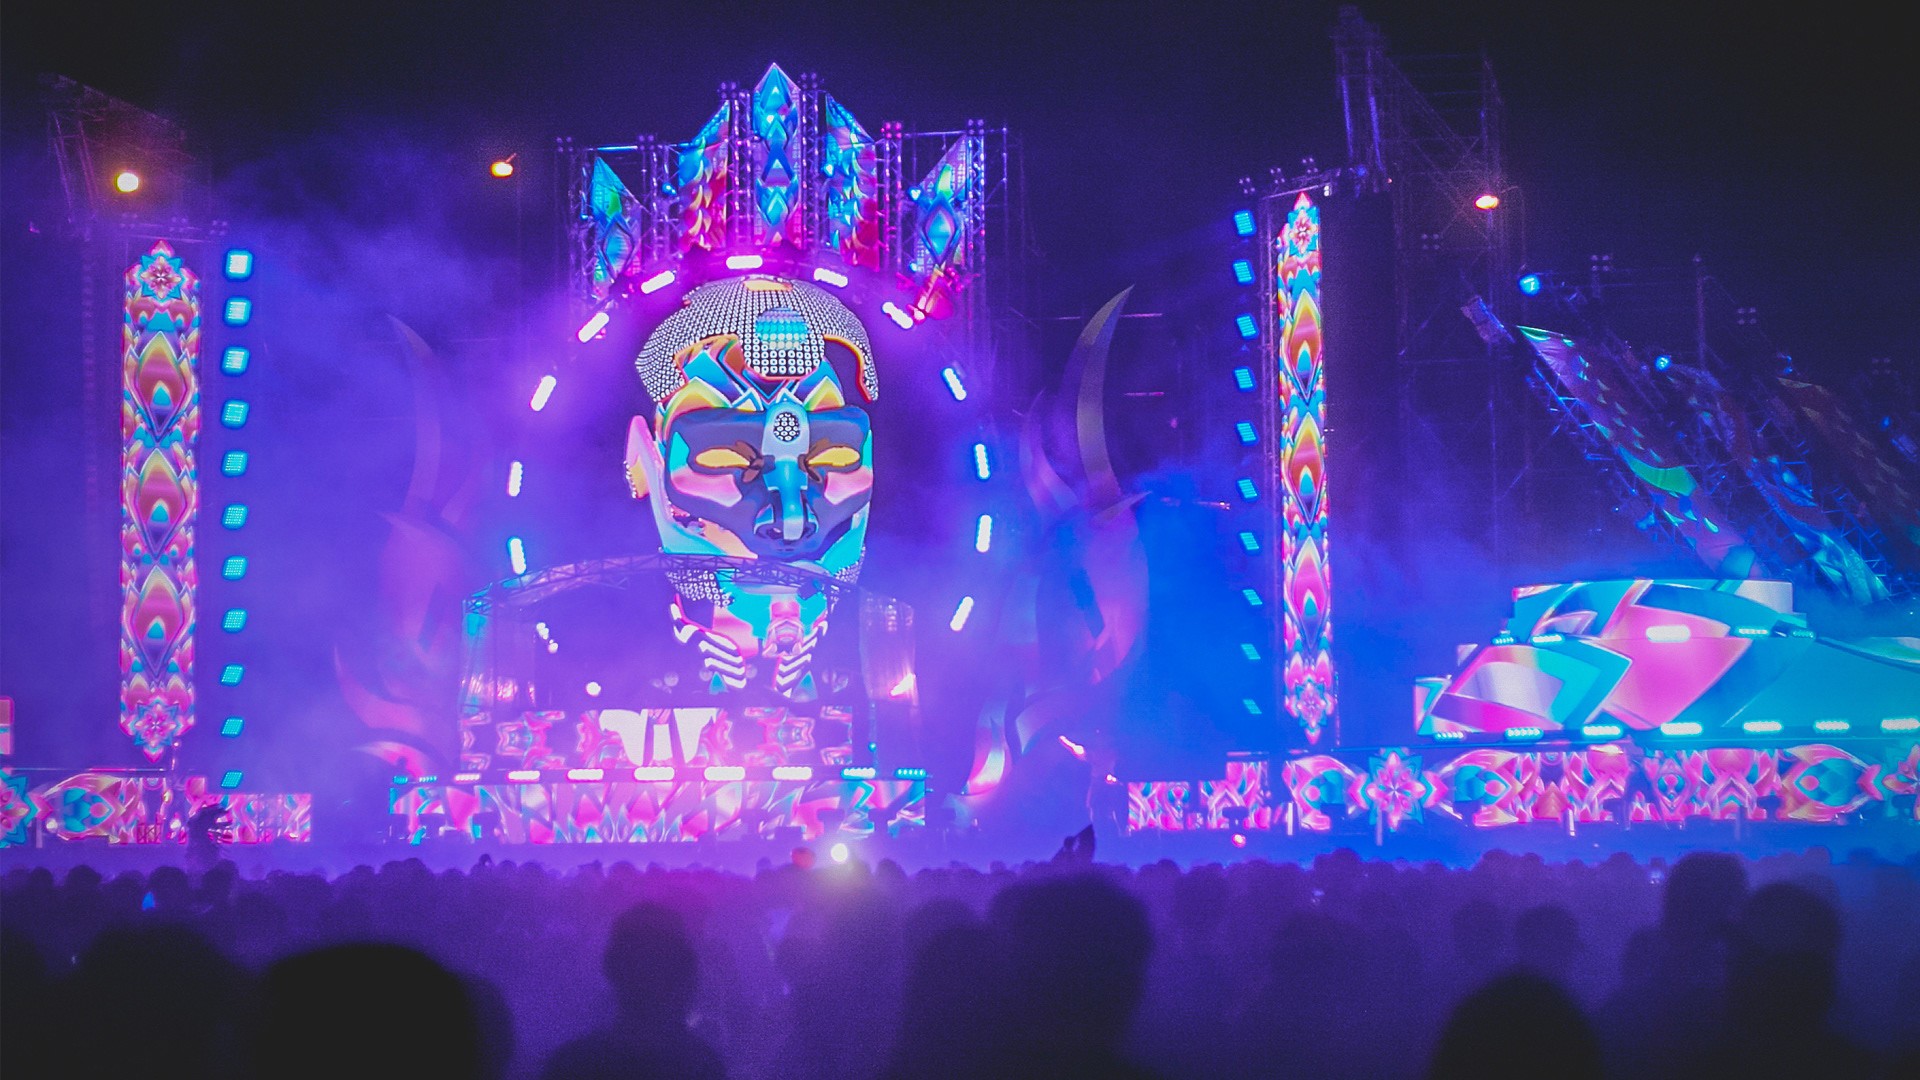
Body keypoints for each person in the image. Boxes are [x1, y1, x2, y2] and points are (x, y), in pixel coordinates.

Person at [540, 901, 726, 1080]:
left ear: (611, 968)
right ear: (686, 974)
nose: (648, 973)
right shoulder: (702, 1066)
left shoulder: (572, 1064)